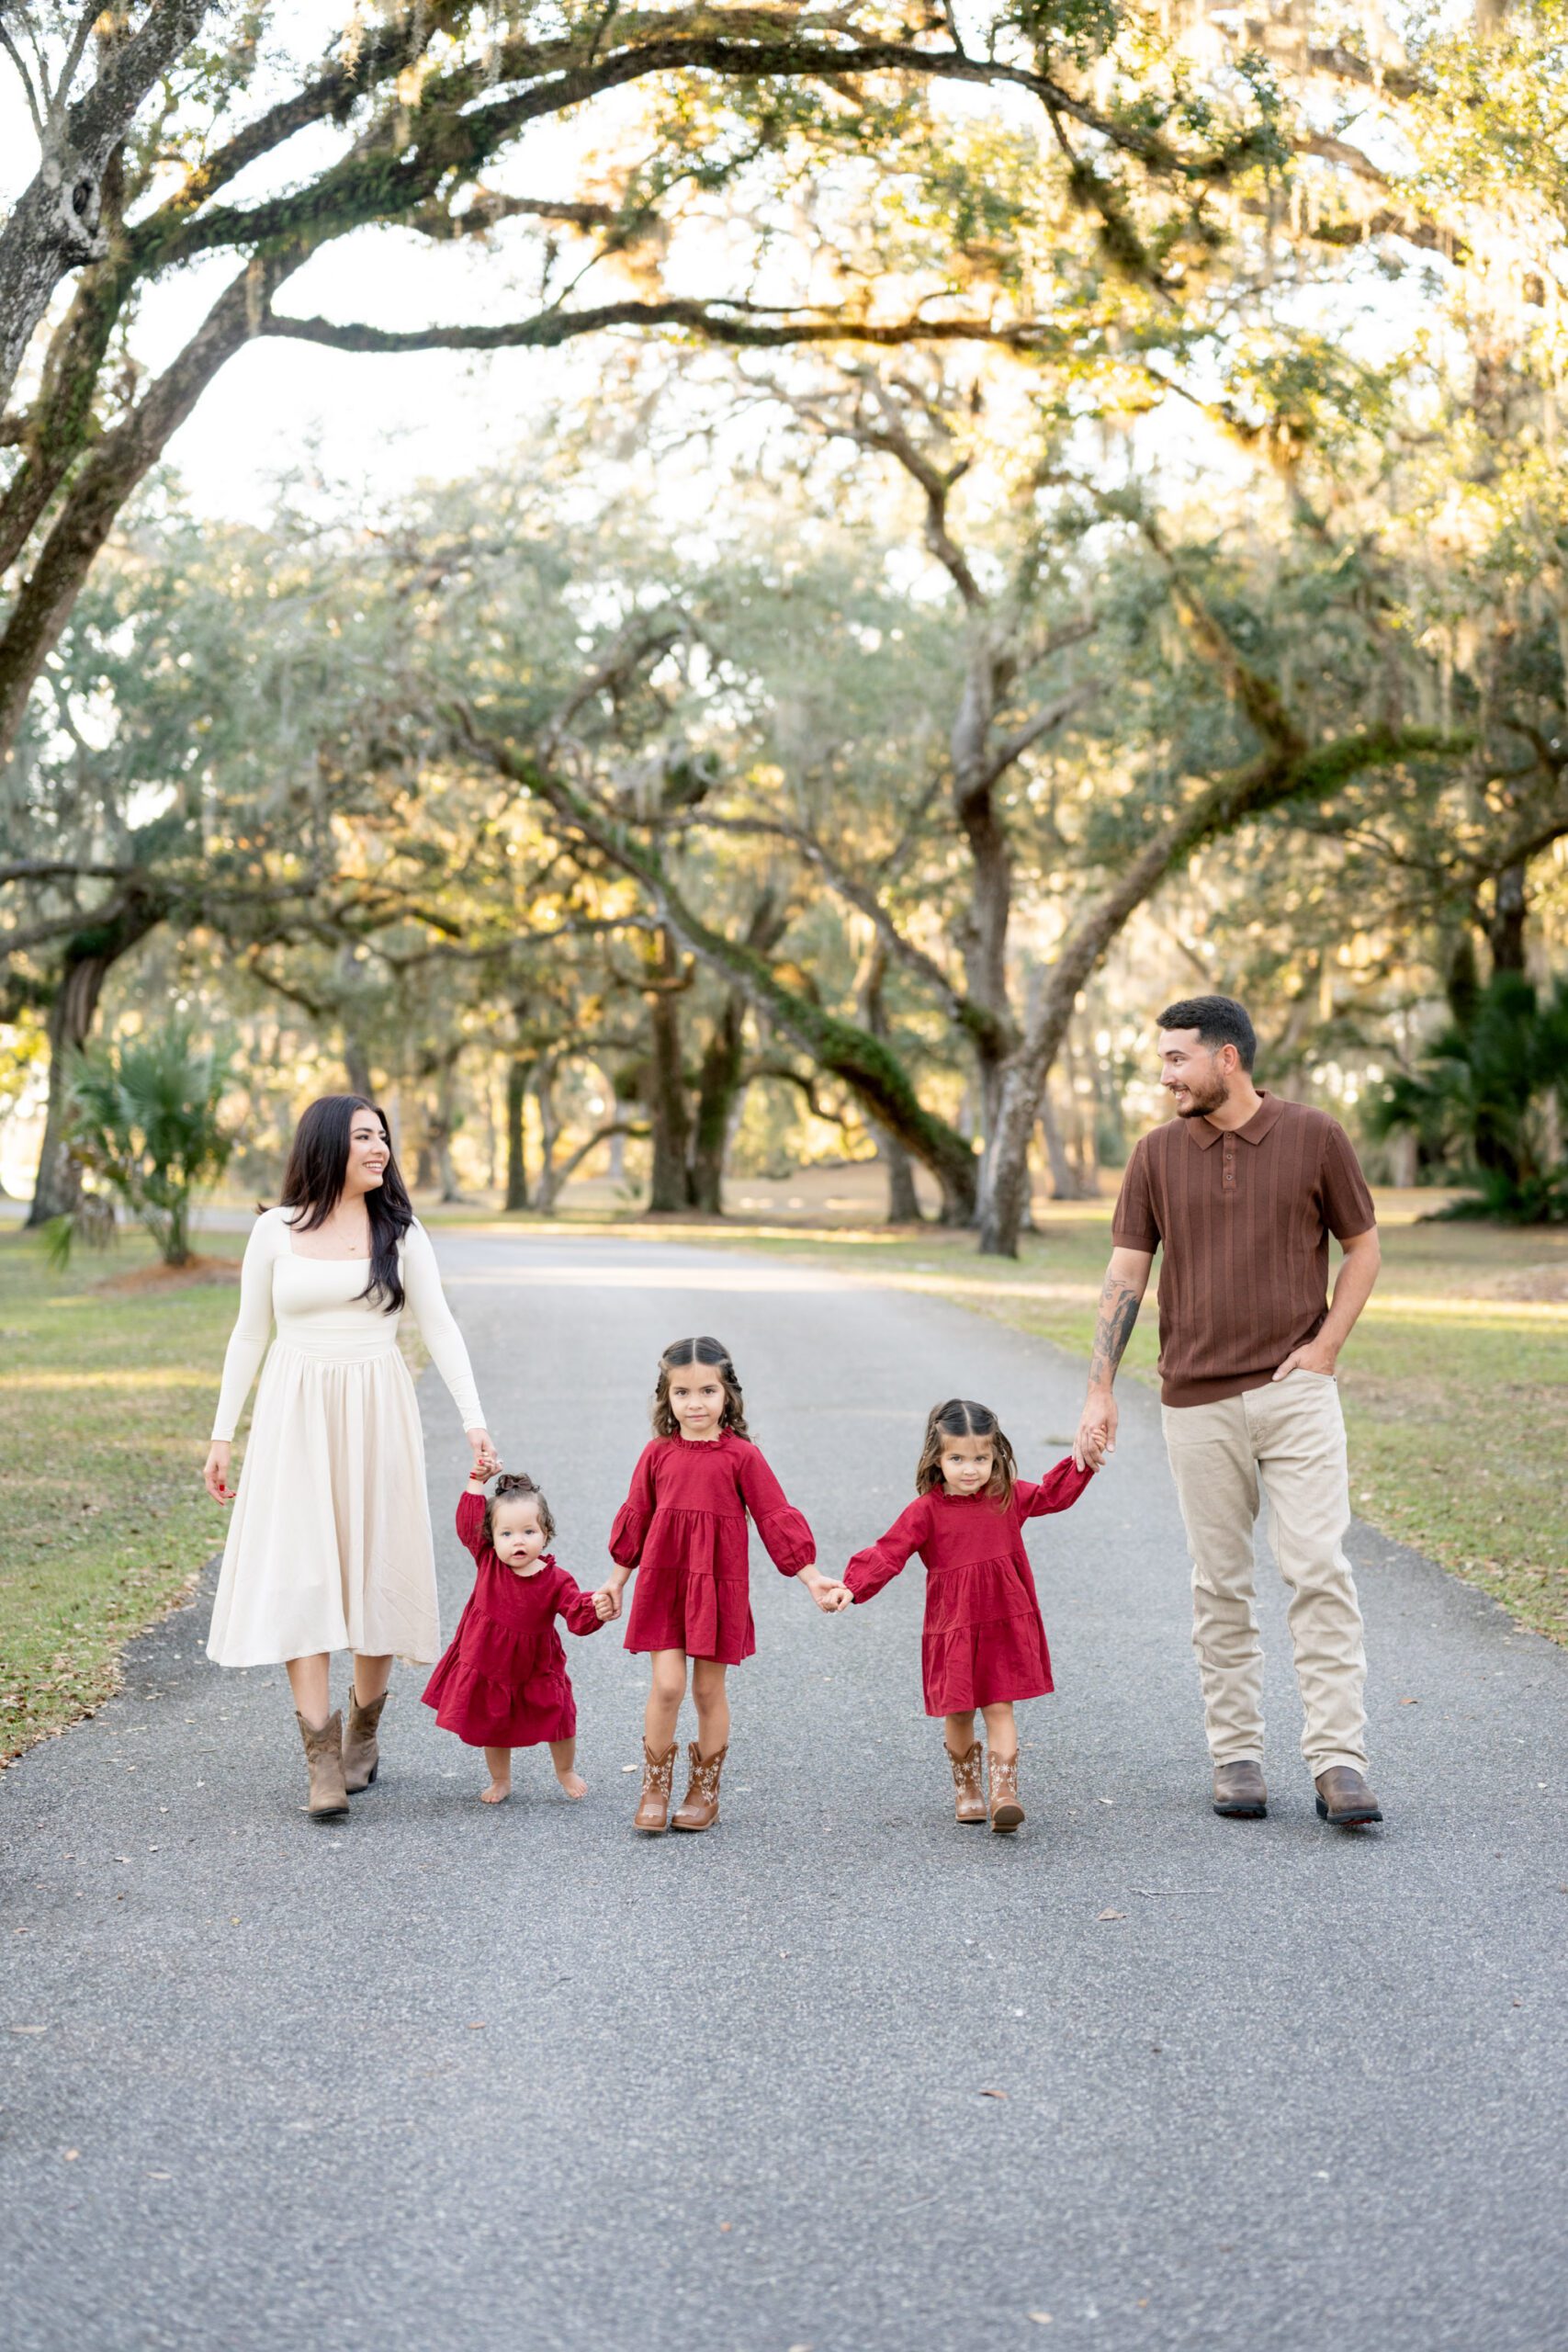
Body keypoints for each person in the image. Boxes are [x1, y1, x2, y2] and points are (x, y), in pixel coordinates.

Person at [1072, 996, 1384, 1828]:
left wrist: (1323, 1351)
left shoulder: (1313, 1136)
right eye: (1163, 1059)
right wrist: (1100, 1387)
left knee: (1317, 1568)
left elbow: (1363, 1248)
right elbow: (1125, 1275)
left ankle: (1338, 1761)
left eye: (1178, 1058)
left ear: (1227, 1059)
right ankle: (1236, 1754)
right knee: (1220, 1585)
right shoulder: (1154, 1156)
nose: (1164, 1074)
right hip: (1195, 1403)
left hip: (1295, 1395)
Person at [204, 1094, 498, 1821]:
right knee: (304, 1573)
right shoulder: (274, 1230)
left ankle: (364, 1729)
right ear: (327, 1143)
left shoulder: (400, 1229)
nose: (380, 1149)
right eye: (363, 1136)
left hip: (376, 1407)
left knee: (377, 1565)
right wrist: (221, 1433)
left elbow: (441, 1327)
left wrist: (474, 1421)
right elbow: (249, 1335)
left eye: (383, 1137)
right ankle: (321, 1759)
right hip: (293, 1412)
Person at [815, 1399, 1094, 1832]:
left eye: (981, 1458)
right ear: (937, 1460)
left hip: (1004, 1619)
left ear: (996, 1456)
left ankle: (1004, 1793)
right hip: (954, 1627)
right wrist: (853, 1586)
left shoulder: (1007, 1496)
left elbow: (1051, 1496)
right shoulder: (926, 1510)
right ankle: (968, 1791)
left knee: (1000, 1706)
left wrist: (1083, 1460)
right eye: (958, 1459)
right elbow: (890, 1552)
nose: (970, 1469)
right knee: (960, 1711)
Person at [601, 1334, 835, 1834]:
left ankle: (704, 1791)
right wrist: (617, 1581)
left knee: (708, 1691)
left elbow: (774, 1516)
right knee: (667, 1686)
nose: (695, 1403)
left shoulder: (742, 1457)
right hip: (664, 1584)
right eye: (682, 1393)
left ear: (727, 1393)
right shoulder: (656, 1453)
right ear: (666, 1398)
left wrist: (811, 1578)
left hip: (718, 1586)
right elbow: (637, 1519)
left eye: (707, 1391)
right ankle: (654, 1787)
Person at [422, 1470, 614, 1804]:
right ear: (491, 1538)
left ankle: (565, 1770)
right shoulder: (487, 1562)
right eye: (506, 1533)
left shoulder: (556, 1579)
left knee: (560, 1714)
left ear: (546, 1534)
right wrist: (474, 1482)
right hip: (489, 1663)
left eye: (528, 1531)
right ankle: (501, 1779)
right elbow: (468, 1525)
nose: (518, 1541)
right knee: (492, 1720)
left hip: (536, 1665)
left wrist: (596, 1608)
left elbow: (575, 1615)